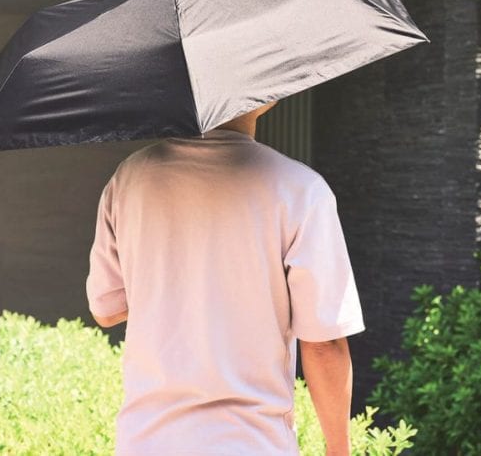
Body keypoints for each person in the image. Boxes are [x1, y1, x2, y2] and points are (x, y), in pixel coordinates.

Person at [86, 100, 365, 456]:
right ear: (269, 95)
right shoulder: (301, 189)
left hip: (146, 442)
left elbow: (106, 311)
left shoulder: (128, 179)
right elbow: (324, 343)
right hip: (252, 443)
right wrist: (339, 449)